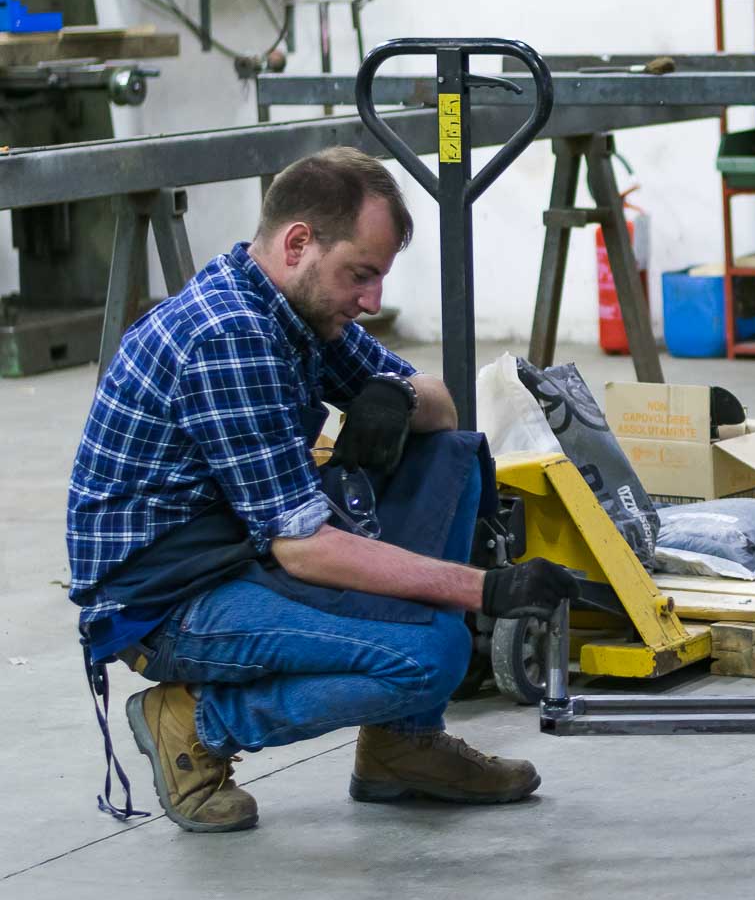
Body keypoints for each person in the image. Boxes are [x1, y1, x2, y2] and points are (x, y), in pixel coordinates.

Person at [67, 147, 578, 833]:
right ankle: (194, 723)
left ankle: (401, 748)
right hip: (167, 600)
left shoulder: (299, 307)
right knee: (433, 654)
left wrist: (390, 397)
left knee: (449, 457)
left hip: (239, 554)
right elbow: (303, 548)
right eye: (361, 276)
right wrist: (484, 590)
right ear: (299, 242)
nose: (371, 301)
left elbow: (444, 409)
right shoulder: (230, 336)